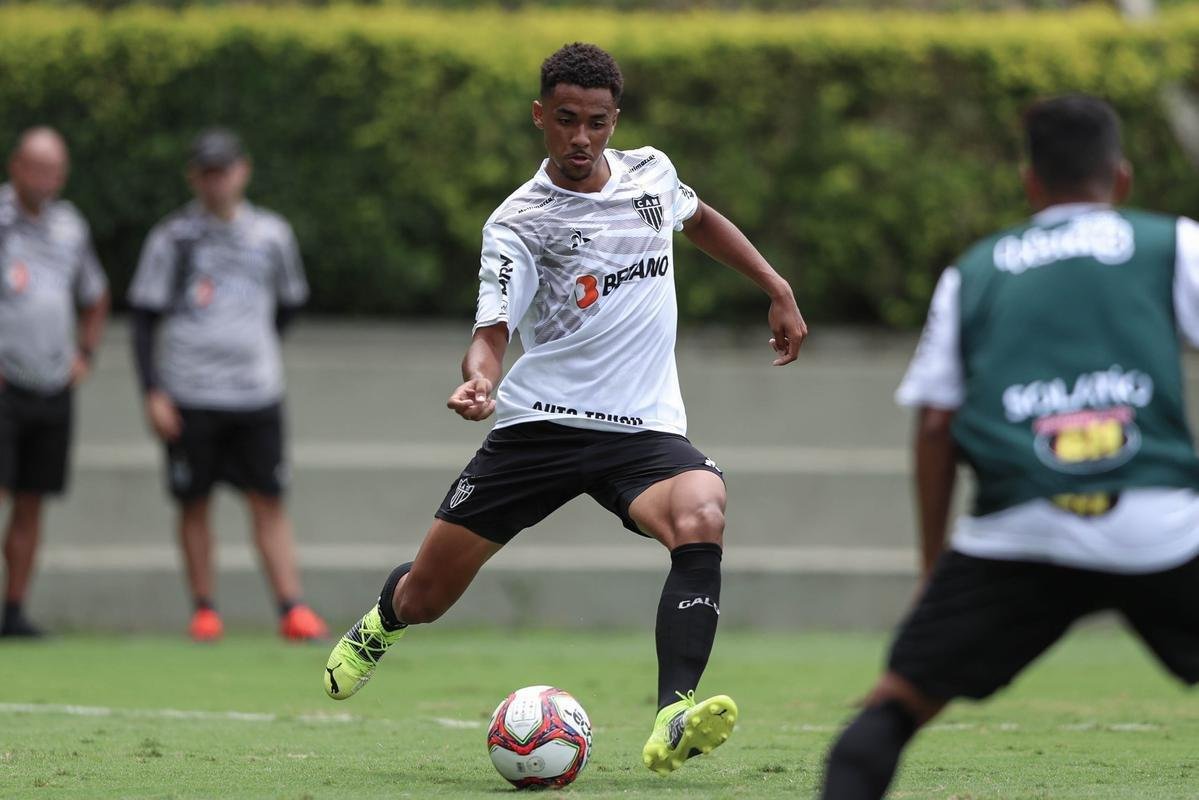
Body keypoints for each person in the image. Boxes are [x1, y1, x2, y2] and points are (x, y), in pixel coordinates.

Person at [322, 42, 807, 774]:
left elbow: (698, 219)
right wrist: (479, 381)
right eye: (567, 121)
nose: (582, 139)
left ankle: (674, 711)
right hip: (539, 425)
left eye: (598, 123)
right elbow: (491, 333)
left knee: (702, 509)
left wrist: (775, 285)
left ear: (616, 120)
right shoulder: (520, 221)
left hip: (641, 430)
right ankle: (381, 623)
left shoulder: (651, 173)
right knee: (428, 595)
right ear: (540, 117)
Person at [819, 94, 1199, 799]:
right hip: (1161, 523)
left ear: (1029, 184)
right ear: (1121, 178)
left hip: (1019, 530)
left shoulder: (977, 270)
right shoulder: (1169, 242)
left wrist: (934, 568)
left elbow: (935, 426)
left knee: (888, 713)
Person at [127, 128, 327, 643]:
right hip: (189, 395)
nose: (216, 182)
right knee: (194, 501)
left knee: (269, 498)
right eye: (206, 173)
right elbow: (145, 317)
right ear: (194, 177)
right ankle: (205, 609)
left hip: (256, 393)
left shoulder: (272, 235)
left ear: (243, 171)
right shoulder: (172, 237)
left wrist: (252, 347)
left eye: (225, 170)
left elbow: (289, 304)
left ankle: (291, 607)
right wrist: (153, 390)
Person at [0, 127, 110, 638]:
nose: (45, 179)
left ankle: (15, 610)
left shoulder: (70, 226)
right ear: (14, 166)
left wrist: (84, 354)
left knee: (32, 500)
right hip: (5, 386)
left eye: (54, 171)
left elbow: (95, 294)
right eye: (35, 168)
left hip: (51, 388)